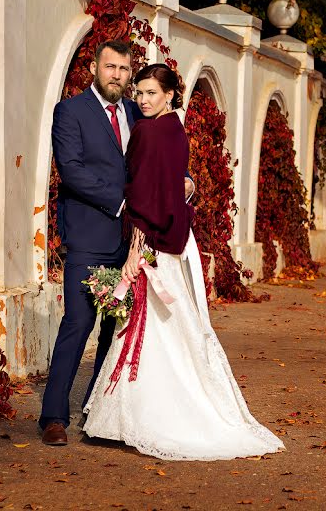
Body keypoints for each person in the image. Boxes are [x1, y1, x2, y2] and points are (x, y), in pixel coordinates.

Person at [83, 63, 284, 460]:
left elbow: (145, 195)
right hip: (176, 241)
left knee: (154, 324)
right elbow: (169, 187)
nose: (142, 100)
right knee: (173, 324)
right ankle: (175, 407)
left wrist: (136, 248)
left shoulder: (147, 131)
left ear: (171, 95)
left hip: (153, 240)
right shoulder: (175, 129)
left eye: (150, 93)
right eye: (138, 93)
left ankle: (149, 416)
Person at [40, 41, 193, 446]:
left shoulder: (135, 109)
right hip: (89, 238)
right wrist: (125, 202)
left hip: (132, 245)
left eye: (124, 70)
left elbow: (156, 162)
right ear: (95, 67)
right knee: (77, 323)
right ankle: (53, 416)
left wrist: (186, 182)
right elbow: (70, 170)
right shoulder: (70, 111)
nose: (117, 76)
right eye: (110, 67)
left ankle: (96, 411)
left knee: (117, 330)